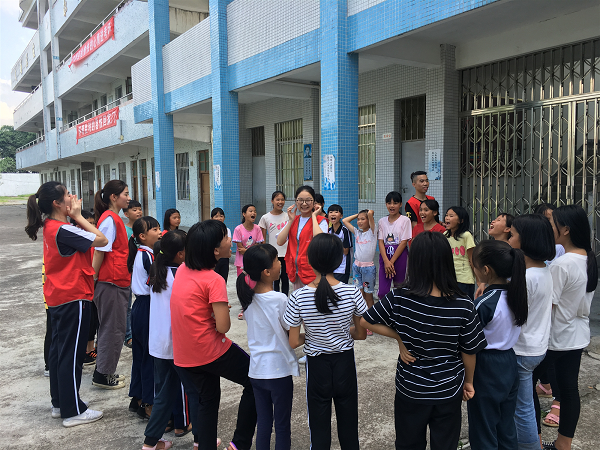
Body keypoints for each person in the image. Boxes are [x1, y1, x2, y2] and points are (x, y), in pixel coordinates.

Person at [361, 231, 487, 450]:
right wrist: (468, 381)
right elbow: (469, 350)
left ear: (415, 262)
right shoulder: (463, 304)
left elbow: (366, 321)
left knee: (408, 443)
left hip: (410, 387)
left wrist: (399, 337)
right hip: (448, 388)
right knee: (445, 444)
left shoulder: (399, 297)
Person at [26, 181, 108, 427]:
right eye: (67, 194)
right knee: (72, 355)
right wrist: (79, 216)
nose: (73, 197)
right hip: (73, 295)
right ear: (57, 203)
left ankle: (60, 403)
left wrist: (73, 217)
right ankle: (72, 411)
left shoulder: (51, 226)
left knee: (60, 352)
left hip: (59, 296)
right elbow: (102, 240)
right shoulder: (64, 229)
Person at [170, 220, 256, 450]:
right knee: (256, 380)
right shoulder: (213, 279)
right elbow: (223, 327)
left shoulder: (183, 270)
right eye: (226, 238)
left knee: (207, 402)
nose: (231, 241)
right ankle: (240, 443)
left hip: (184, 354)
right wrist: (221, 311)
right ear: (216, 250)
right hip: (210, 350)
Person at [284, 233, 367, 450]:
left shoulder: (298, 297)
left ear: (310, 261)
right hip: (345, 364)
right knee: (349, 427)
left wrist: (314, 334)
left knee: (319, 429)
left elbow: (293, 341)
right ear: (340, 261)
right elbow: (361, 334)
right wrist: (343, 330)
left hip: (317, 366)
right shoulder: (352, 292)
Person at [541, 205, 597, 450]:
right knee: (569, 389)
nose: (550, 228)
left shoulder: (561, 264)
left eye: (553, 224)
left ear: (565, 230)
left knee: (526, 385)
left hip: (555, 336)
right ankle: (564, 444)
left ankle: (534, 441)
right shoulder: (588, 258)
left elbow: (548, 306)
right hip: (577, 335)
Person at [236, 244, 299, 450]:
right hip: (279, 371)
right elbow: (291, 333)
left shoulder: (248, 299)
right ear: (266, 272)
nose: (280, 263)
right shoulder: (280, 299)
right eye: (276, 261)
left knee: (263, 424)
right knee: (282, 426)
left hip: (257, 371)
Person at [467, 240, 529, 450]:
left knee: (483, 427)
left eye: (474, 267)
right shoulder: (517, 294)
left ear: (485, 270)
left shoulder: (483, 304)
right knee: (506, 425)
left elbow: (468, 342)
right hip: (509, 361)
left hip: (486, 366)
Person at [142, 230, 199, 450]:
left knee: (163, 395)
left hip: (159, 343)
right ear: (181, 254)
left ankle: (150, 443)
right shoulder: (180, 273)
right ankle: (201, 440)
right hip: (177, 343)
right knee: (196, 392)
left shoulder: (158, 269)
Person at [507, 214, 556, 450]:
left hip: (522, 350)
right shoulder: (543, 270)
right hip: (536, 346)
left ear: (525, 240)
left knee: (523, 407)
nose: (509, 239)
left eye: (512, 235)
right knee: (523, 405)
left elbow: (511, 317)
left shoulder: (527, 278)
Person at [92, 180, 131, 389]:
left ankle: (104, 370)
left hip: (115, 281)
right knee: (112, 330)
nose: (129, 198)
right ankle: (103, 375)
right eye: (125, 194)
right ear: (114, 197)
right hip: (111, 283)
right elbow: (99, 251)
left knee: (112, 328)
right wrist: (93, 278)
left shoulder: (113, 218)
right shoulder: (109, 220)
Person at [127, 216, 162, 419]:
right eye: (155, 230)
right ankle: (148, 403)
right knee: (149, 357)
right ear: (142, 236)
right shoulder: (148, 256)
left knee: (140, 356)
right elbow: (158, 283)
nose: (159, 233)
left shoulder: (142, 253)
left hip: (140, 306)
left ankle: (138, 397)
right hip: (147, 306)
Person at [277, 186, 328, 290]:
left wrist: (314, 216)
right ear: (296, 201)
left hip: (313, 272)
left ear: (314, 202)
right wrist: (290, 221)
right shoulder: (293, 220)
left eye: (308, 200)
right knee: (299, 299)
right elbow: (280, 241)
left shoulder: (321, 221)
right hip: (295, 272)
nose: (304, 204)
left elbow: (320, 241)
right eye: (300, 200)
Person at [70, 209, 99, 366]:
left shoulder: (91, 243)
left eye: (93, 223)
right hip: (83, 289)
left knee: (93, 320)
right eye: (88, 223)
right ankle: (84, 352)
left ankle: (90, 349)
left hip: (92, 287)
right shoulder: (78, 243)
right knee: (85, 323)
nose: (92, 227)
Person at [342, 209, 376, 334]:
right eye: (358, 219)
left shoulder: (373, 232)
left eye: (363, 219)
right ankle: (359, 320)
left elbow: (371, 216)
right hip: (357, 267)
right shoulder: (357, 232)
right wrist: (359, 214)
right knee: (359, 295)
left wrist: (368, 214)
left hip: (368, 270)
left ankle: (370, 322)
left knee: (368, 296)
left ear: (369, 220)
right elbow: (345, 220)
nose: (360, 221)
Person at [377, 191, 411, 299]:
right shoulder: (382, 221)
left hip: (400, 255)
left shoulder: (405, 220)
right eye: (389, 203)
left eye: (395, 203)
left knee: (399, 287)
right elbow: (380, 241)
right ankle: (385, 308)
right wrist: (386, 261)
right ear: (386, 204)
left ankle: (398, 308)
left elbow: (404, 242)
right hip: (385, 255)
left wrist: (391, 262)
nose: (392, 206)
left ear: (400, 204)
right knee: (382, 292)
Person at [233, 204, 264, 320]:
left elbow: (258, 245)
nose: (253, 213)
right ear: (244, 214)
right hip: (241, 263)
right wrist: (251, 250)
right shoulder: (238, 229)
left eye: (255, 211)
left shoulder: (257, 228)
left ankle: (255, 307)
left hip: (254, 262)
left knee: (254, 284)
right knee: (243, 285)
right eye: (250, 211)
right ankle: (244, 308)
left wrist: (248, 251)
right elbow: (240, 249)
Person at [258, 191, 290, 295]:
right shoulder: (265, 218)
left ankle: (285, 299)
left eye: (282, 199)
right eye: (277, 199)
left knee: (285, 278)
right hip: (273, 254)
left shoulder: (288, 217)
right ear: (272, 201)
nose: (280, 202)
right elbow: (262, 239)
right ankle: (275, 298)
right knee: (274, 279)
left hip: (286, 253)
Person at [444, 206, 476, 299]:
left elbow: (472, 259)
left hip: (464, 279)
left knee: (464, 304)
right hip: (449, 278)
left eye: (451, 216)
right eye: (446, 215)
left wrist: (480, 282)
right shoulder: (445, 235)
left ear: (461, 220)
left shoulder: (466, 235)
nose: (447, 218)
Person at [123, 200, 143, 349]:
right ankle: (128, 335)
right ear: (126, 214)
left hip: (141, 271)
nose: (138, 212)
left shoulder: (144, 228)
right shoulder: (124, 230)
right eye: (134, 210)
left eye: (139, 209)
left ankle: (138, 331)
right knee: (128, 305)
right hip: (127, 271)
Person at [327, 204, 353, 283]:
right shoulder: (328, 231)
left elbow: (345, 251)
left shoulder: (345, 231)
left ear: (341, 216)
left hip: (342, 268)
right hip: (331, 266)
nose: (333, 214)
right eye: (330, 212)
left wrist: (333, 243)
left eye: (336, 212)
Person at [211, 207, 232, 282]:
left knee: (223, 278)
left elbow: (229, 243)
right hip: (213, 257)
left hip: (224, 257)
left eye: (221, 216)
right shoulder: (210, 230)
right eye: (216, 216)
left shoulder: (227, 230)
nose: (219, 218)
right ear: (211, 218)